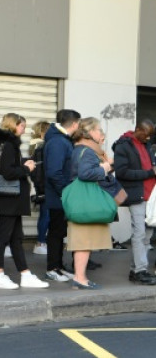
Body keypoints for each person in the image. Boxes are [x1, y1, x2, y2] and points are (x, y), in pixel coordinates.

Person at [0, 114, 47, 290]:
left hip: (10, 199)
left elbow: (8, 165)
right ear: (14, 126)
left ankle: (25, 274)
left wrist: (21, 162)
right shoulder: (7, 145)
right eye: (22, 126)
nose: (24, 130)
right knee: (2, 237)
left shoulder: (5, 144)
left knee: (15, 238)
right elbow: (7, 172)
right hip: (9, 198)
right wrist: (26, 168)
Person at [68, 118, 115, 290]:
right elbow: (85, 174)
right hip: (85, 201)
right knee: (84, 242)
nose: (101, 133)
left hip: (82, 200)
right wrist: (106, 166)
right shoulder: (87, 151)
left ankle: (80, 277)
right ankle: (80, 278)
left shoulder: (79, 148)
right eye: (99, 130)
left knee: (84, 241)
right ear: (90, 132)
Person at [111, 119, 156, 285]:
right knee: (140, 233)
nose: (149, 137)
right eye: (146, 133)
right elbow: (122, 173)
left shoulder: (146, 145)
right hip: (137, 194)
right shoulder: (123, 146)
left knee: (148, 234)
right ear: (138, 129)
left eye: (151, 135)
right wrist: (150, 172)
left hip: (150, 196)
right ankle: (140, 270)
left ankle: (135, 269)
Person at [43, 109, 81, 282]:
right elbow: (54, 172)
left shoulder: (61, 140)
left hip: (61, 195)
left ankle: (58, 266)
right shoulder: (58, 142)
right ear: (74, 124)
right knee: (56, 232)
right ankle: (52, 268)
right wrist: (67, 193)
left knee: (59, 232)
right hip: (59, 197)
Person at [29, 120, 51, 257]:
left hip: (40, 187)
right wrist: (43, 189)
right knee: (46, 215)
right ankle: (40, 242)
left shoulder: (35, 145)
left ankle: (41, 242)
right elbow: (41, 171)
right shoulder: (42, 147)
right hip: (44, 187)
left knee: (45, 215)